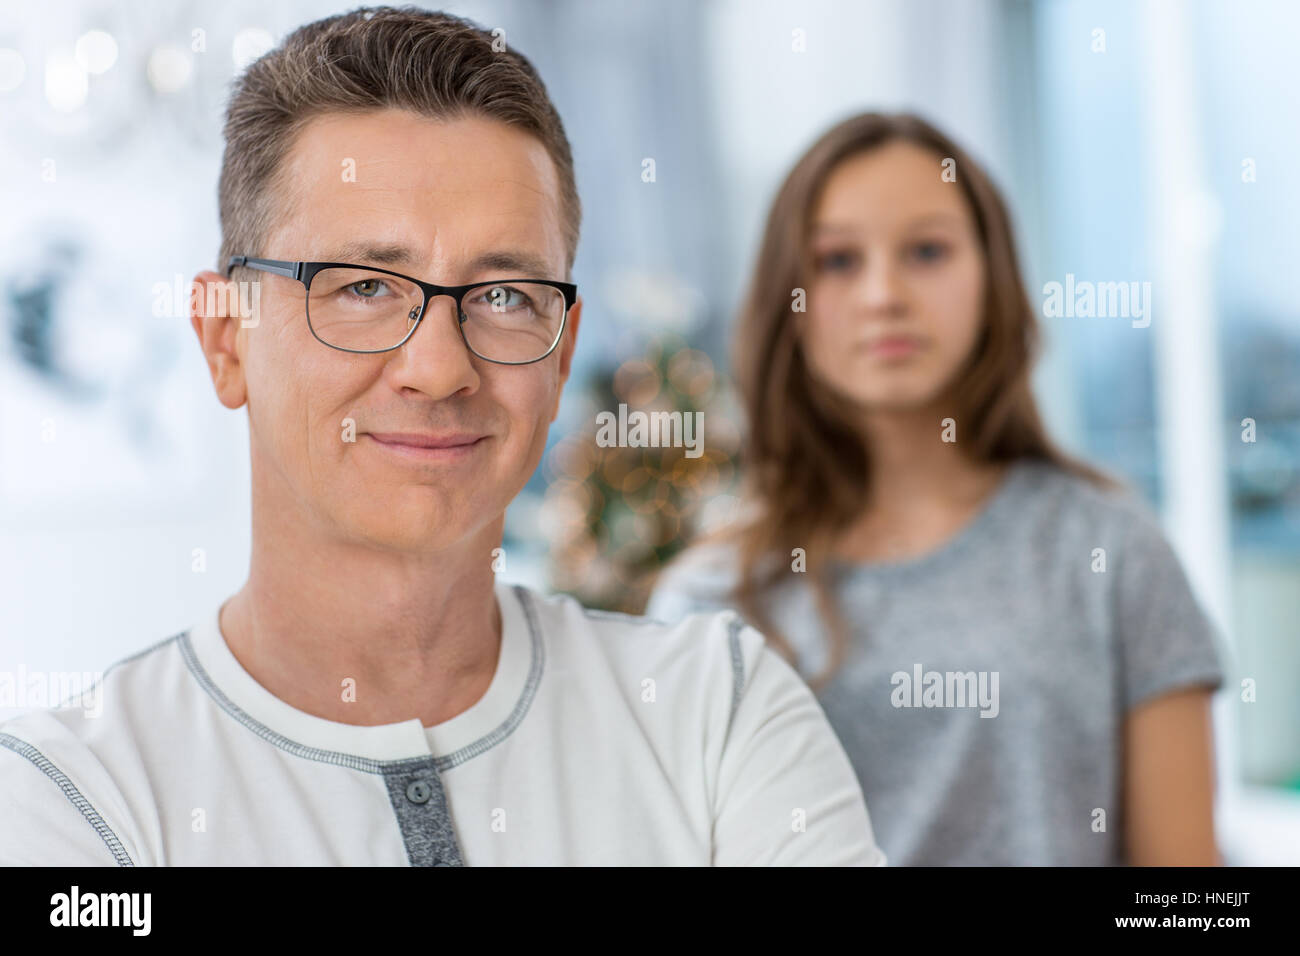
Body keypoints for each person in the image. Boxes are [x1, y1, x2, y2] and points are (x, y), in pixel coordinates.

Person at [0, 7, 884, 867]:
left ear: (563, 352)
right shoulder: (73, 799)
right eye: (361, 287)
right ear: (226, 338)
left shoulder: (716, 713)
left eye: (504, 297)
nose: (437, 368)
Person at [647, 112, 1227, 866]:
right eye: (837, 261)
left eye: (927, 251)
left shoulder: (1109, 552)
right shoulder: (711, 602)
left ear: (993, 277)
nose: (885, 293)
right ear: (787, 298)